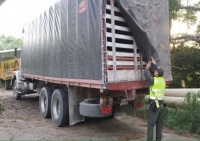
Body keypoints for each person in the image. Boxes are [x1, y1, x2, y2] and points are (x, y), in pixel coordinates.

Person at [144, 57, 166, 141]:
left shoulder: (154, 81)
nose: (154, 71)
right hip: (161, 107)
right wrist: (155, 64)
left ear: (157, 74)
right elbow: (159, 71)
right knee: (159, 126)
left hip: (154, 106)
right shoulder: (162, 80)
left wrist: (147, 67)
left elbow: (146, 75)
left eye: (156, 71)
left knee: (150, 125)